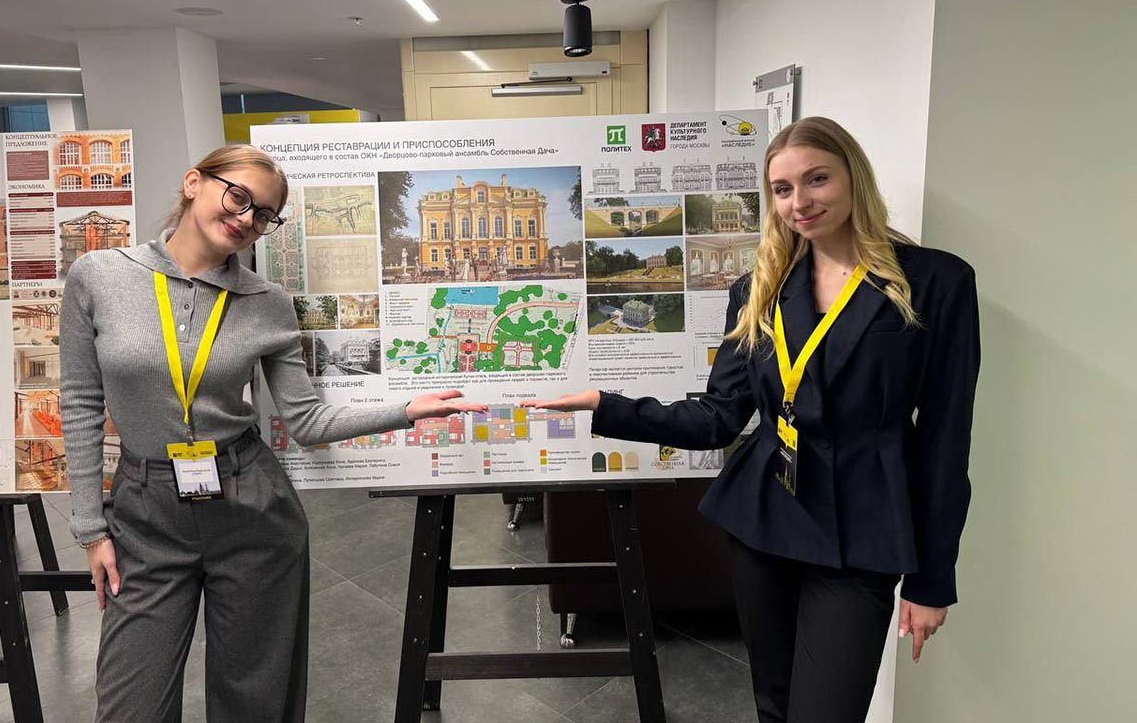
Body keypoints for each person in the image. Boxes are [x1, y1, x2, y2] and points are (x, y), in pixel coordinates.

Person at [523, 117, 980, 723]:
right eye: (783, 189)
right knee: (774, 704)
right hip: (765, 519)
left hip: (864, 530)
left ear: (854, 177)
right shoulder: (758, 287)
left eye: (817, 179)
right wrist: (607, 407)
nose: (800, 202)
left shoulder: (935, 282)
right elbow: (718, 417)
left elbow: (945, 441)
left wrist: (931, 579)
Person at [61, 144, 485, 722]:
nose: (246, 219)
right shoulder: (100, 276)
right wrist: (91, 529)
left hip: (249, 505)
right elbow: (80, 403)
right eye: (238, 197)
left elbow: (306, 420)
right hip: (145, 512)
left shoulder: (267, 303)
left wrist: (407, 410)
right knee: (129, 705)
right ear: (193, 182)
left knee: (256, 703)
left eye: (263, 215)